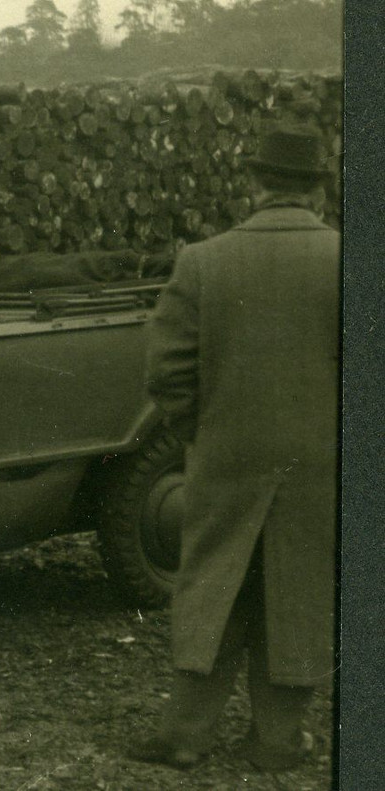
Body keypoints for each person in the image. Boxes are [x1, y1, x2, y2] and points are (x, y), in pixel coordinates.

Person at [130, 122, 339, 771]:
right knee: (300, 588)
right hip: (321, 460)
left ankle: (183, 734)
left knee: (214, 583)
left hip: (225, 453)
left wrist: (207, 429)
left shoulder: (203, 260)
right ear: (317, 193)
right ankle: (278, 740)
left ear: (254, 185)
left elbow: (165, 372)